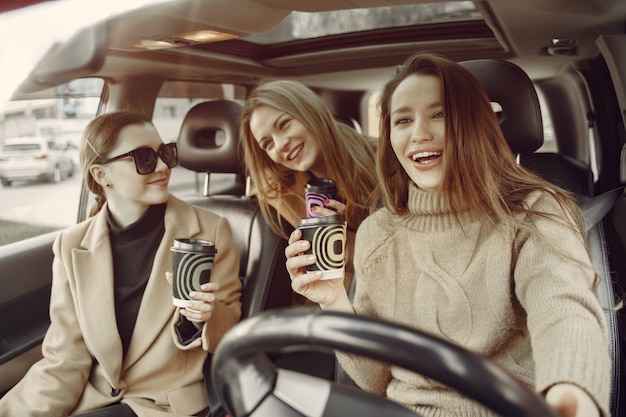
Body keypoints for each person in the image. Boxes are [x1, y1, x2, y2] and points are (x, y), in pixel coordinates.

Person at [285, 52, 610, 417]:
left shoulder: (535, 212)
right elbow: (376, 381)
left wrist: (570, 392)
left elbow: (563, 308)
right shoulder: (378, 232)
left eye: (439, 114)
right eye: (403, 119)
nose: (419, 134)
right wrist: (334, 303)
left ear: (473, 123)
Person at [0, 112, 242, 417]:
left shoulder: (209, 229)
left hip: (168, 404)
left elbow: (231, 328)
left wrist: (204, 316)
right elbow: (65, 360)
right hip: (97, 399)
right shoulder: (71, 245)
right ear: (102, 175)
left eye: (164, 153)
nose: (164, 166)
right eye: (144, 158)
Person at [240, 79, 379, 305]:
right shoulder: (281, 193)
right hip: (333, 308)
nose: (280, 145)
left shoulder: (385, 159)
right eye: (267, 144)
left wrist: (348, 236)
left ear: (310, 111)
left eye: (284, 124)